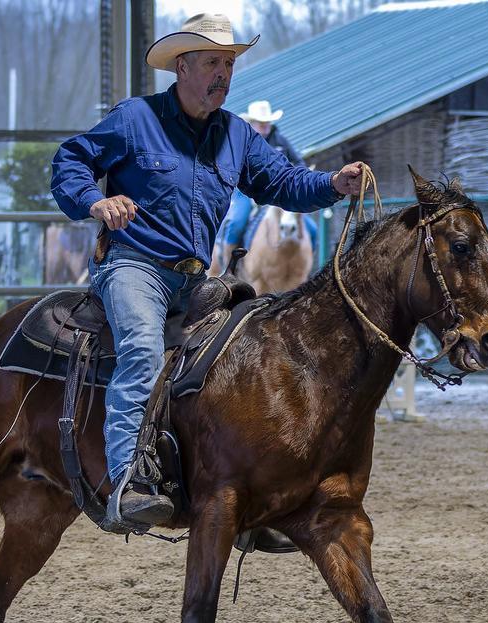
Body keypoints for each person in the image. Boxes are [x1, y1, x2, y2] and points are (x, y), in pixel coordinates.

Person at [50, 13, 364, 531]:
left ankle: (249, 488)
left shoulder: (236, 136)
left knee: (251, 357)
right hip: (134, 267)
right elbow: (71, 160)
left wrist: (334, 182)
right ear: (182, 66)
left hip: (197, 278)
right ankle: (128, 482)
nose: (224, 73)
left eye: (229, 63)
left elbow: (284, 183)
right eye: (213, 62)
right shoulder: (134, 119)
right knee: (142, 349)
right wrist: (95, 204)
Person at [220, 100, 318, 252]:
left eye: (267, 122)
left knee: (311, 229)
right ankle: (227, 264)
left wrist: (294, 178)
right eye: (260, 122)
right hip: (247, 191)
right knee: (237, 223)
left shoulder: (280, 141)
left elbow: (299, 163)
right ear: (251, 123)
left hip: (279, 190)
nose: (265, 125)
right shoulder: (242, 142)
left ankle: (308, 262)